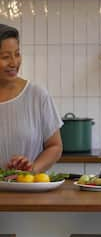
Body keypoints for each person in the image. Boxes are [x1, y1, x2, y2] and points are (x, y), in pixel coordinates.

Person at [0, 24, 63, 173]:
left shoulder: (37, 95)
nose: (14, 63)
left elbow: (55, 146)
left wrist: (32, 169)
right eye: (5, 57)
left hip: (28, 191)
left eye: (17, 54)